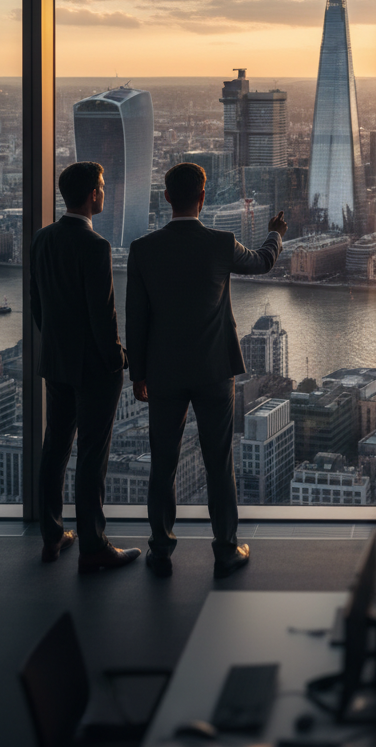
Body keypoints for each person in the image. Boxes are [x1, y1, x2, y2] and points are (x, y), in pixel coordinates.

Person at [125, 162, 287, 579]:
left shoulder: (143, 249)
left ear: (166, 198)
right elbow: (263, 262)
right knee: (219, 463)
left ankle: (161, 549)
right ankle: (226, 550)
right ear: (202, 197)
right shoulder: (220, 243)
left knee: (163, 463)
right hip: (214, 370)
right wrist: (276, 233)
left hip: (163, 373)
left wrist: (138, 374)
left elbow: (136, 319)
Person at [30, 161, 141, 574]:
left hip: (56, 362)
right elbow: (103, 317)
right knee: (92, 455)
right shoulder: (96, 246)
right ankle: (93, 545)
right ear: (93, 194)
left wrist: (57, 345)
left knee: (55, 449)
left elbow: (37, 305)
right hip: (94, 368)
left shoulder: (41, 239)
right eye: (103, 186)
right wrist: (118, 360)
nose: (105, 192)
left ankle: (52, 535)